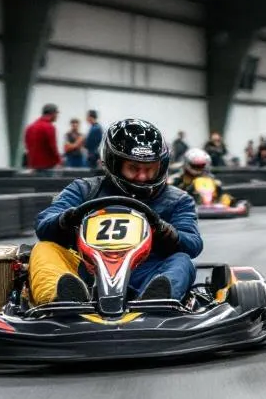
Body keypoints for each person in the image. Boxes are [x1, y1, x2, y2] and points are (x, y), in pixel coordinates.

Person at [30, 118, 201, 304]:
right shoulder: (84, 189)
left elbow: (192, 243)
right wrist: (67, 219)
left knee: (182, 261)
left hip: (145, 273)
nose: (142, 177)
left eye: (150, 169)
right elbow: (44, 223)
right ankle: (62, 299)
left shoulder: (177, 200)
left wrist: (166, 232)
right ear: (114, 163)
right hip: (87, 273)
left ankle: (157, 299)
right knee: (44, 248)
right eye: (133, 168)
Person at [24, 103, 62, 173]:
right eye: (56, 113)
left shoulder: (30, 127)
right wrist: (59, 161)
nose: (57, 116)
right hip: (47, 167)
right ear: (52, 113)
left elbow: (26, 144)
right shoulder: (49, 127)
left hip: (33, 166)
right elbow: (53, 147)